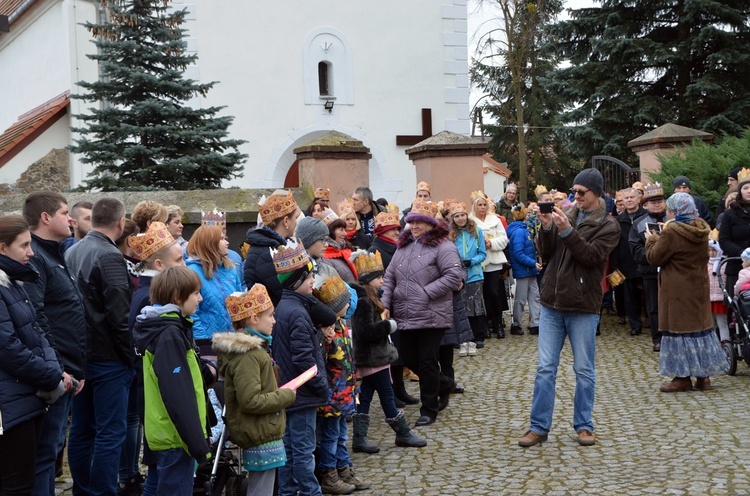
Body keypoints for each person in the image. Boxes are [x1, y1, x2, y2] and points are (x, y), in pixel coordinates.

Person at [519, 168, 619, 448]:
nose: (576, 197)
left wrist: (565, 230)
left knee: (584, 370)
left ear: (596, 193)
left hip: (583, 306)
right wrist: (548, 227)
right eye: (574, 191)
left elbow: (591, 257)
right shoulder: (568, 214)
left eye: (581, 192)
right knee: (545, 369)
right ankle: (538, 427)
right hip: (552, 303)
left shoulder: (609, 225)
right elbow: (547, 253)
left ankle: (584, 426)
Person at [65, 197, 136, 495]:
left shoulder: (72, 251)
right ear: (120, 222)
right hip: (108, 357)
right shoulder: (109, 255)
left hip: (81, 354)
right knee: (110, 431)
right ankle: (103, 491)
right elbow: (118, 315)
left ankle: (83, 489)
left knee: (82, 430)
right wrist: (129, 356)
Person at [22, 192, 87, 496]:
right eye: (64, 213)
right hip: (54, 373)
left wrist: (77, 367)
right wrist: (58, 368)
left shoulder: (56, 253)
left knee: (52, 449)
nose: (71, 218)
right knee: (44, 454)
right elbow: (37, 316)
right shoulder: (35, 257)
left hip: (67, 371)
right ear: (45, 218)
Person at [381, 199, 463, 427]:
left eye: (419, 222)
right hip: (404, 313)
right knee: (408, 357)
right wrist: (385, 304)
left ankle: (429, 408)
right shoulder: (403, 247)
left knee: (427, 361)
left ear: (430, 224)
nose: (414, 226)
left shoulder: (444, 246)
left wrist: (426, 293)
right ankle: (444, 384)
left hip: (432, 314)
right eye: (411, 222)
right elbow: (389, 277)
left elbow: (454, 276)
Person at [0, 215, 65, 495]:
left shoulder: (14, 283)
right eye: (24, 245)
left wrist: (54, 368)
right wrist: (51, 375)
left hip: (26, 397)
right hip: (10, 403)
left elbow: (37, 332)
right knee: (16, 486)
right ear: (3, 248)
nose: (31, 252)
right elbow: (8, 347)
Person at [132, 266, 211, 494]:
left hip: (167, 432)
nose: (200, 298)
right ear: (178, 297)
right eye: (195, 293)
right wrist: (196, 442)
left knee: (156, 485)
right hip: (175, 437)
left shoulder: (170, 329)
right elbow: (178, 395)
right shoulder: (169, 335)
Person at [212, 286, 296, 496]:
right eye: (270, 316)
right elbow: (250, 400)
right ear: (253, 319)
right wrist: (285, 396)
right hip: (259, 433)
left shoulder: (254, 352)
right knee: (261, 490)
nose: (274, 321)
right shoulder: (248, 355)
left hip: (262, 431)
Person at [645, 193, 728, 391]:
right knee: (700, 329)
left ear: (675, 211)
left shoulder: (672, 231)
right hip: (698, 285)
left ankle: (682, 377)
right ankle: (703, 376)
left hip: (677, 289)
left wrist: (651, 240)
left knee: (679, 331)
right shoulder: (700, 227)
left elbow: (654, 258)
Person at [349, 250, 427, 453]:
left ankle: (359, 438)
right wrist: (388, 326)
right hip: (374, 357)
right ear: (369, 280)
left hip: (374, 357)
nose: (383, 280)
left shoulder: (371, 299)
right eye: (380, 277)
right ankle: (403, 433)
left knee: (365, 396)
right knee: (386, 396)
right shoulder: (365, 302)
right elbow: (364, 331)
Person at [271, 239, 329, 496]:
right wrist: (321, 386)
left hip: (290, 393)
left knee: (290, 450)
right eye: (308, 279)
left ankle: (287, 492)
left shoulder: (286, 306)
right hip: (302, 394)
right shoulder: (297, 313)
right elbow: (305, 359)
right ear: (296, 282)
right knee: (303, 452)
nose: (313, 283)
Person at [311, 274, 371, 494]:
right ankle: (329, 473)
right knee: (330, 435)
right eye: (345, 302)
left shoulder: (341, 325)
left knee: (341, 433)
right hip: (331, 396)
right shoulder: (326, 332)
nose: (349, 304)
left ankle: (344, 468)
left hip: (344, 392)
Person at [186, 225, 243, 346]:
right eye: (222, 239)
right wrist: (203, 342)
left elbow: (240, 302)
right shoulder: (193, 272)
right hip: (209, 344)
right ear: (209, 243)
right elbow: (192, 314)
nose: (227, 242)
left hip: (233, 342)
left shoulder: (230, 268)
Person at [244, 189, 301, 306]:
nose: (296, 223)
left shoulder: (277, 247)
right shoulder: (266, 253)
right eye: (295, 218)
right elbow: (289, 293)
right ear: (286, 221)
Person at [630, 183, 668, 352]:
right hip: (650, 272)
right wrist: (653, 255)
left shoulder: (673, 220)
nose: (657, 204)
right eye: (653, 202)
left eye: (659, 201)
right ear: (646, 204)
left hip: (672, 270)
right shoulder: (639, 224)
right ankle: (657, 338)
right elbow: (635, 250)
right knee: (653, 307)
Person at [468, 190, 510, 338]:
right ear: (474, 206)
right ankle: (484, 325)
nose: (482, 207)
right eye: (479, 205)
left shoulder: (495, 219)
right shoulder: (470, 220)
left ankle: (498, 323)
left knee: (494, 292)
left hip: (494, 260)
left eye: (484, 204)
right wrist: (480, 245)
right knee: (482, 294)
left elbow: (504, 239)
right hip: (479, 262)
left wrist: (490, 243)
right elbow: (467, 241)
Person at [448, 202, 488, 352]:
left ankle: (478, 336)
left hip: (474, 273)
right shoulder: (450, 234)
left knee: (476, 306)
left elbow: (483, 253)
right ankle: (464, 337)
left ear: (467, 215)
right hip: (458, 274)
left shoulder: (476, 231)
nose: (460, 219)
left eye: (462, 215)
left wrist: (471, 261)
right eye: (456, 216)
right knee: (462, 308)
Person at [613, 188, 645, 336]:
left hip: (645, 262)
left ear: (639, 199)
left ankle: (650, 320)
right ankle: (635, 324)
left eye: (632, 197)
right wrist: (616, 266)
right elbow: (615, 246)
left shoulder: (646, 217)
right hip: (626, 263)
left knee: (647, 295)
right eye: (626, 198)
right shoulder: (618, 221)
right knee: (630, 297)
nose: (629, 200)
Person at [505, 204, 541, 335]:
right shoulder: (520, 232)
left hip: (530, 269)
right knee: (521, 298)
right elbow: (519, 253)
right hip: (524, 270)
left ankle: (535, 323)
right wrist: (533, 263)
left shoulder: (524, 230)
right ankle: (516, 323)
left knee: (534, 296)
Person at [719, 170, 750, 305]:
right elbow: (724, 240)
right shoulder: (730, 214)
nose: (749, 191)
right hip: (737, 265)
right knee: (737, 309)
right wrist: (741, 252)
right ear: (739, 191)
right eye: (746, 188)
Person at [322, 214, 358, 284]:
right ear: (330, 232)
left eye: (344, 230)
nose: (345, 233)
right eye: (341, 230)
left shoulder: (346, 250)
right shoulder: (325, 257)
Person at [708, 236, 730, 344]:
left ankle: (725, 343)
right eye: (709, 250)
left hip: (720, 298)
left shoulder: (724, 264)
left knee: (722, 322)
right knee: (710, 324)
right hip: (707, 298)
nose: (711, 253)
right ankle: (712, 344)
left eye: (714, 250)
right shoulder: (704, 264)